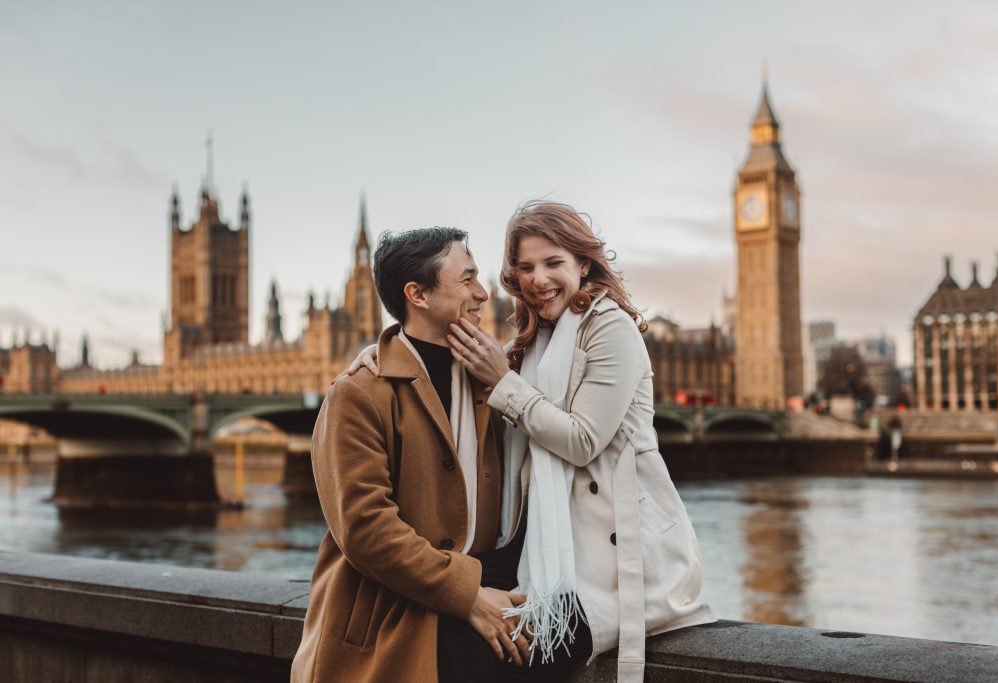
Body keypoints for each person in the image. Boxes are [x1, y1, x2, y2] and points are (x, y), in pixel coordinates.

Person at [354, 202, 714, 682]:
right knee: (426, 622)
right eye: (524, 267)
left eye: (553, 264)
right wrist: (383, 352)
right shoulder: (534, 339)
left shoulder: (609, 328)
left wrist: (503, 383)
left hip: (607, 563)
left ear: (583, 264)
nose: (538, 279)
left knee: (471, 653)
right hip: (537, 548)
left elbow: (583, 441)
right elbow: (437, 349)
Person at [291, 227, 532, 683]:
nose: (482, 293)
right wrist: (467, 596)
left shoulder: (493, 379)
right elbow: (365, 529)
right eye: (467, 280)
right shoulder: (359, 392)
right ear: (417, 294)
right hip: (389, 619)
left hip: (488, 595)